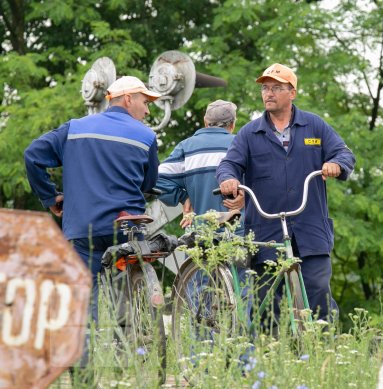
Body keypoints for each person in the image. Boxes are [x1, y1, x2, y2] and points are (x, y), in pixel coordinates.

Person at [216, 63, 355, 322]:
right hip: (265, 231)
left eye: (276, 88)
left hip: (310, 227)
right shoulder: (249, 133)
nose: (268, 93)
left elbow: (344, 153)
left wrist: (337, 164)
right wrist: (229, 179)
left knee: (319, 292)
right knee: (267, 302)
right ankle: (270, 354)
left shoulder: (314, 126)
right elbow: (229, 164)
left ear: (292, 93)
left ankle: (320, 349)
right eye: (265, 88)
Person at [25, 75, 161, 324]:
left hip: (83, 228)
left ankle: (91, 353)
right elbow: (149, 184)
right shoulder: (146, 137)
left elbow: (32, 155)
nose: (147, 109)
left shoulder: (75, 128)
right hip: (127, 226)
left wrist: (50, 196)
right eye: (145, 101)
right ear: (128, 99)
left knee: (86, 297)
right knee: (127, 289)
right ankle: (132, 342)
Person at [155, 99, 245, 230]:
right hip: (238, 235)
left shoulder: (186, 147)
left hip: (199, 236)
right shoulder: (241, 144)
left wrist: (183, 197)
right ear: (232, 124)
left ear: (205, 122)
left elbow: (155, 179)